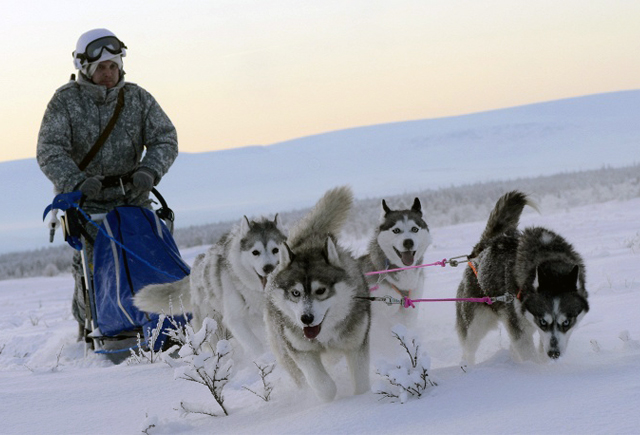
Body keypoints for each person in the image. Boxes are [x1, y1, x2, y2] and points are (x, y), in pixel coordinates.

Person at [37, 28, 179, 339]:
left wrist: (150, 170)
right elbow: (49, 149)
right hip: (88, 205)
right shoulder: (65, 102)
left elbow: (164, 138)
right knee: (93, 268)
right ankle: (91, 326)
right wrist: (76, 181)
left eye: (113, 66)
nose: (108, 73)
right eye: (101, 67)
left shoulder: (138, 99)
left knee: (149, 259)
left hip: (134, 199)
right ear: (85, 68)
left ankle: (157, 323)